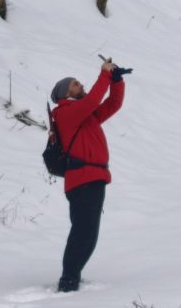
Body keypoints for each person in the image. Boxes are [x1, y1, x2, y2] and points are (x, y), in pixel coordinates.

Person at [50, 61, 131, 292]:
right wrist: (104, 74)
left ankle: (72, 276)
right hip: (82, 179)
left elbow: (112, 105)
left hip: (93, 178)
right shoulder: (66, 113)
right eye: (76, 84)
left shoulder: (85, 115)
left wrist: (116, 82)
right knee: (83, 233)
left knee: (89, 234)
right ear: (66, 93)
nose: (81, 84)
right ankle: (68, 280)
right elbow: (94, 99)